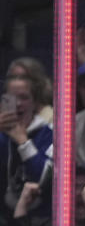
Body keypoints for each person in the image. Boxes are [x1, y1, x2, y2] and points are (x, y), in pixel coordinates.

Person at [0, 72, 53, 213]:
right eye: (11, 98)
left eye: (24, 98)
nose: (17, 104)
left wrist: (23, 142)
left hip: (40, 217)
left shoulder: (50, 134)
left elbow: (46, 180)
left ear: (35, 103)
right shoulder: (1, 134)